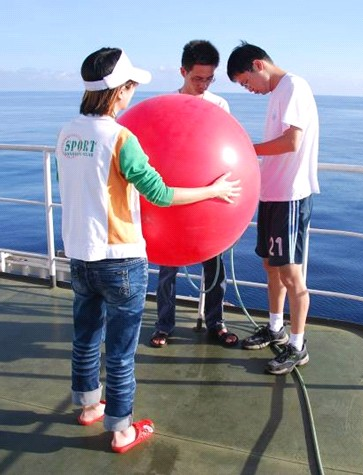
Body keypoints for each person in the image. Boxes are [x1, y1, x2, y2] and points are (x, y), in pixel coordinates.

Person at [55, 47, 241, 453]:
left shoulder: (67, 133)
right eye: (131, 87)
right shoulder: (121, 138)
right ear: (119, 90)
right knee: (121, 352)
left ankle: (88, 406)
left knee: (86, 337)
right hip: (119, 258)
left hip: (80, 255)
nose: (133, 94)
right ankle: (122, 429)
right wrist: (213, 190)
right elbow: (159, 194)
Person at [227, 42, 320, 375]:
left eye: (245, 81)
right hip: (272, 194)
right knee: (271, 266)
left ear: (258, 65)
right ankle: (276, 327)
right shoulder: (278, 92)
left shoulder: (294, 87)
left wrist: (247, 148)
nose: (248, 88)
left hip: (290, 196)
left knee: (292, 275)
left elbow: (292, 141)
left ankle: (297, 346)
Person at [151, 40, 239, 349]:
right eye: (197, 78)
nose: (203, 85)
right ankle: (164, 325)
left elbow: (227, 151)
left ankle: (216, 322)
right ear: (183, 72)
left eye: (209, 79)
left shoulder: (219, 106)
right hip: (174, 197)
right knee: (167, 268)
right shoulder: (166, 105)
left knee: (215, 266)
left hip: (210, 197)